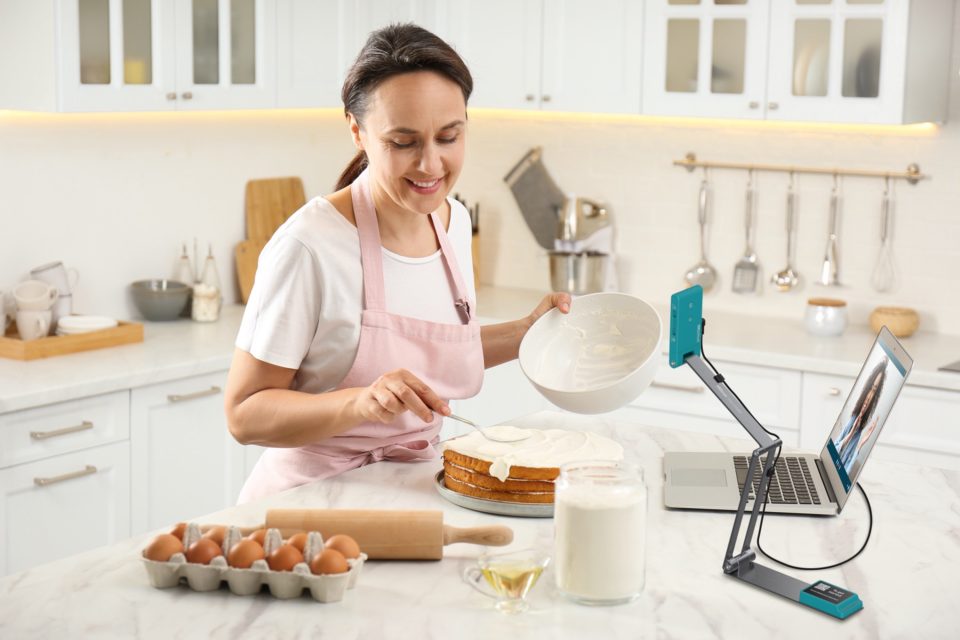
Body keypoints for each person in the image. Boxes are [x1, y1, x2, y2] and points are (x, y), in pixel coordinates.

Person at [225, 24, 570, 504]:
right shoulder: (310, 247)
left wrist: (528, 331)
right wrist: (361, 402)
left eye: (449, 137)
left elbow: (433, 350)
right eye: (404, 143)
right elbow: (244, 414)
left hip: (415, 490)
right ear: (357, 133)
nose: (431, 165)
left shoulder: (453, 223)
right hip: (309, 503)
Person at [836, 359, 887, 474]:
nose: (869, 396)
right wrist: (849, 435)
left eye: (874, 391)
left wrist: (859, 446)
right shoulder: (852, 420)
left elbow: (844, 473)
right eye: (870, 388)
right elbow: (832, 452)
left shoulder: (859, 431)